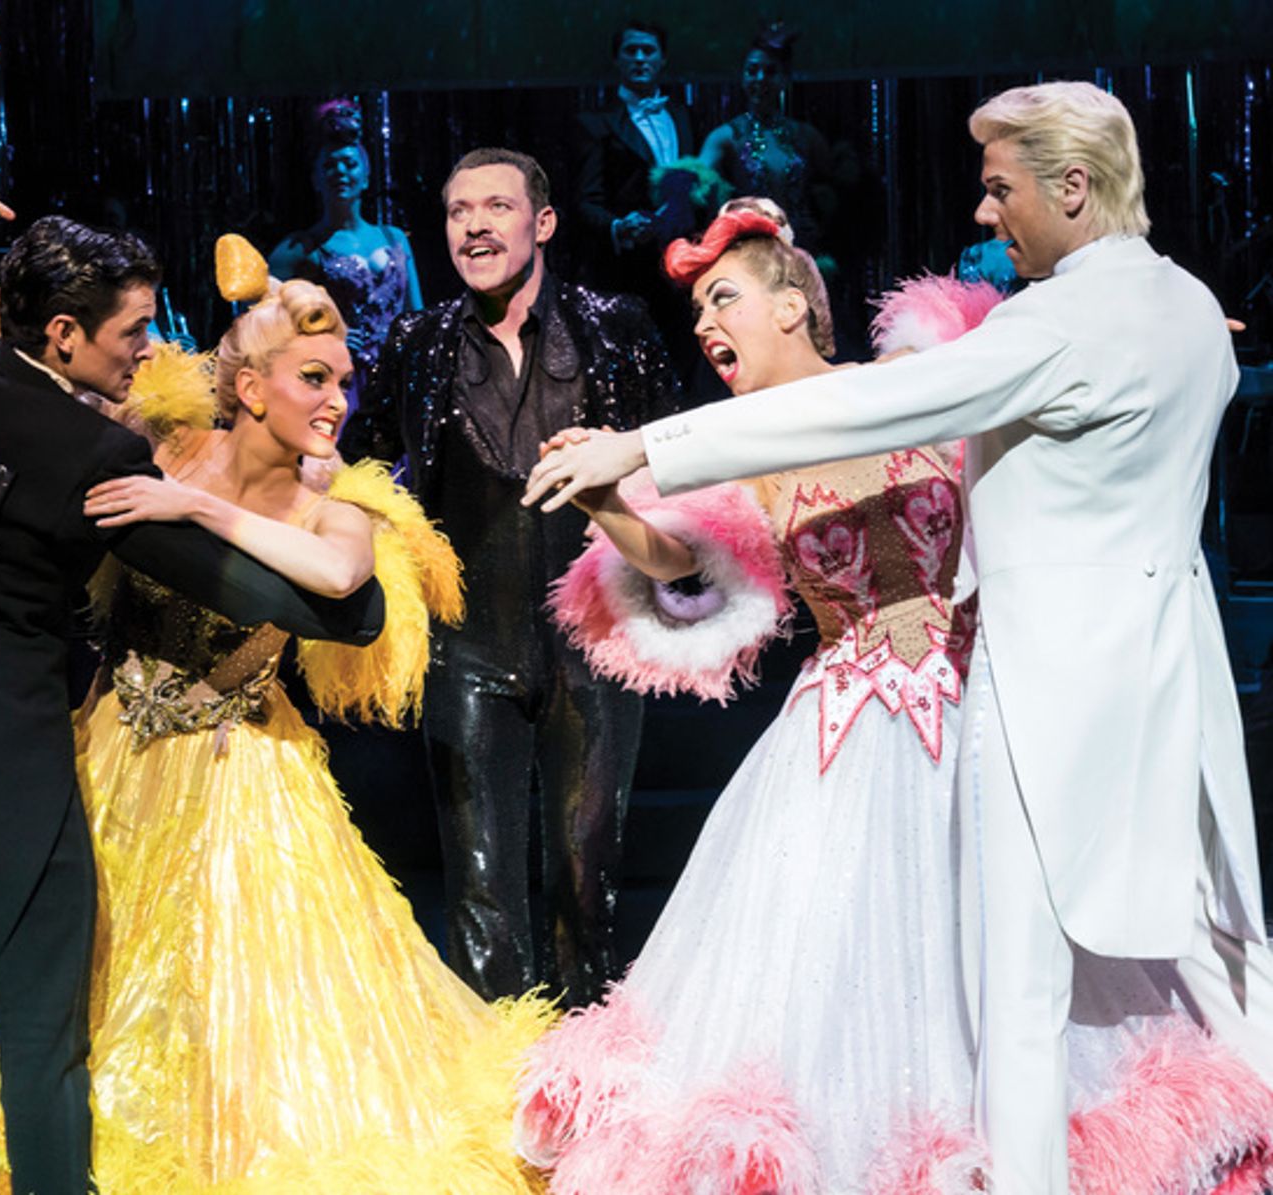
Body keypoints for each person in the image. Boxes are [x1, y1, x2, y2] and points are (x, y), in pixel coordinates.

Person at [525, 82, 1273, 1194]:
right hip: (860, 723)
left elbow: (895, 403)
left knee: (1051, 969)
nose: (708, 325)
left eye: (726, 297)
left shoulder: (942, 372)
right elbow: (684, 559)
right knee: (946, 966)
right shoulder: (1150, 315)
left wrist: (642, 443)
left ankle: (1032, 1160)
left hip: (991, 688)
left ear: (794, 303)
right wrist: (615, 485)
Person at [0, 235, 553, 1193]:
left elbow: (342, 579)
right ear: (249, 386)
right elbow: (27, 375)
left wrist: (196, 512)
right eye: (314, 377)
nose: (338, 400)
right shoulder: (163, 441)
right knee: (78, 982)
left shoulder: (338, 498)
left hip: (243, 775)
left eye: (345, 380)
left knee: (233, 991)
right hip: (112, 751)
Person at [340, 147, 683, 1006]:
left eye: (496, 206)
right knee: (481, 885)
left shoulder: (616, 327)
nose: (474, 226)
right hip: (469, 649)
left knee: (585, 879)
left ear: (544, 222)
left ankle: (585, 1066)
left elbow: (677, 460)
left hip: (595, 646)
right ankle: (497, 1072)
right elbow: (361, 467)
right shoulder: (418, 342)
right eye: (459, 212)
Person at [269, 97, 422, 417]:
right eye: (329, 165)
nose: (340, 172)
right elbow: (261, 317)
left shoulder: (394, 238)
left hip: (399, 376)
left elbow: (417, 315)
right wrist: (321, 340)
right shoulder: (302, 248)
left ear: (366, 176)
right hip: (345, 380)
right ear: (315, 179)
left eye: (349, 164)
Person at [572, 20, 697, 376]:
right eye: (631, 51)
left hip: (683, 266)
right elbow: (585, 201)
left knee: (684, 363)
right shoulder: (597, 123)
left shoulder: (683, 116)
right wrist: (619, 226)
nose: (640, 58)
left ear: (662, 59)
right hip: (628, 271)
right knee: (632, 368)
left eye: (648, 50)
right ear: (617, 60)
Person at [699, 24, 839, 255]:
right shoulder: (725, 137)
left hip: (801, 250)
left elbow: (836, 192)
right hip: (750, 252)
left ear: (785, 78)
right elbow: (695, 186)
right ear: (742, 76)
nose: (760, 79)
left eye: (771, 72)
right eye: (752, 70)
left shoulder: (806, 136)